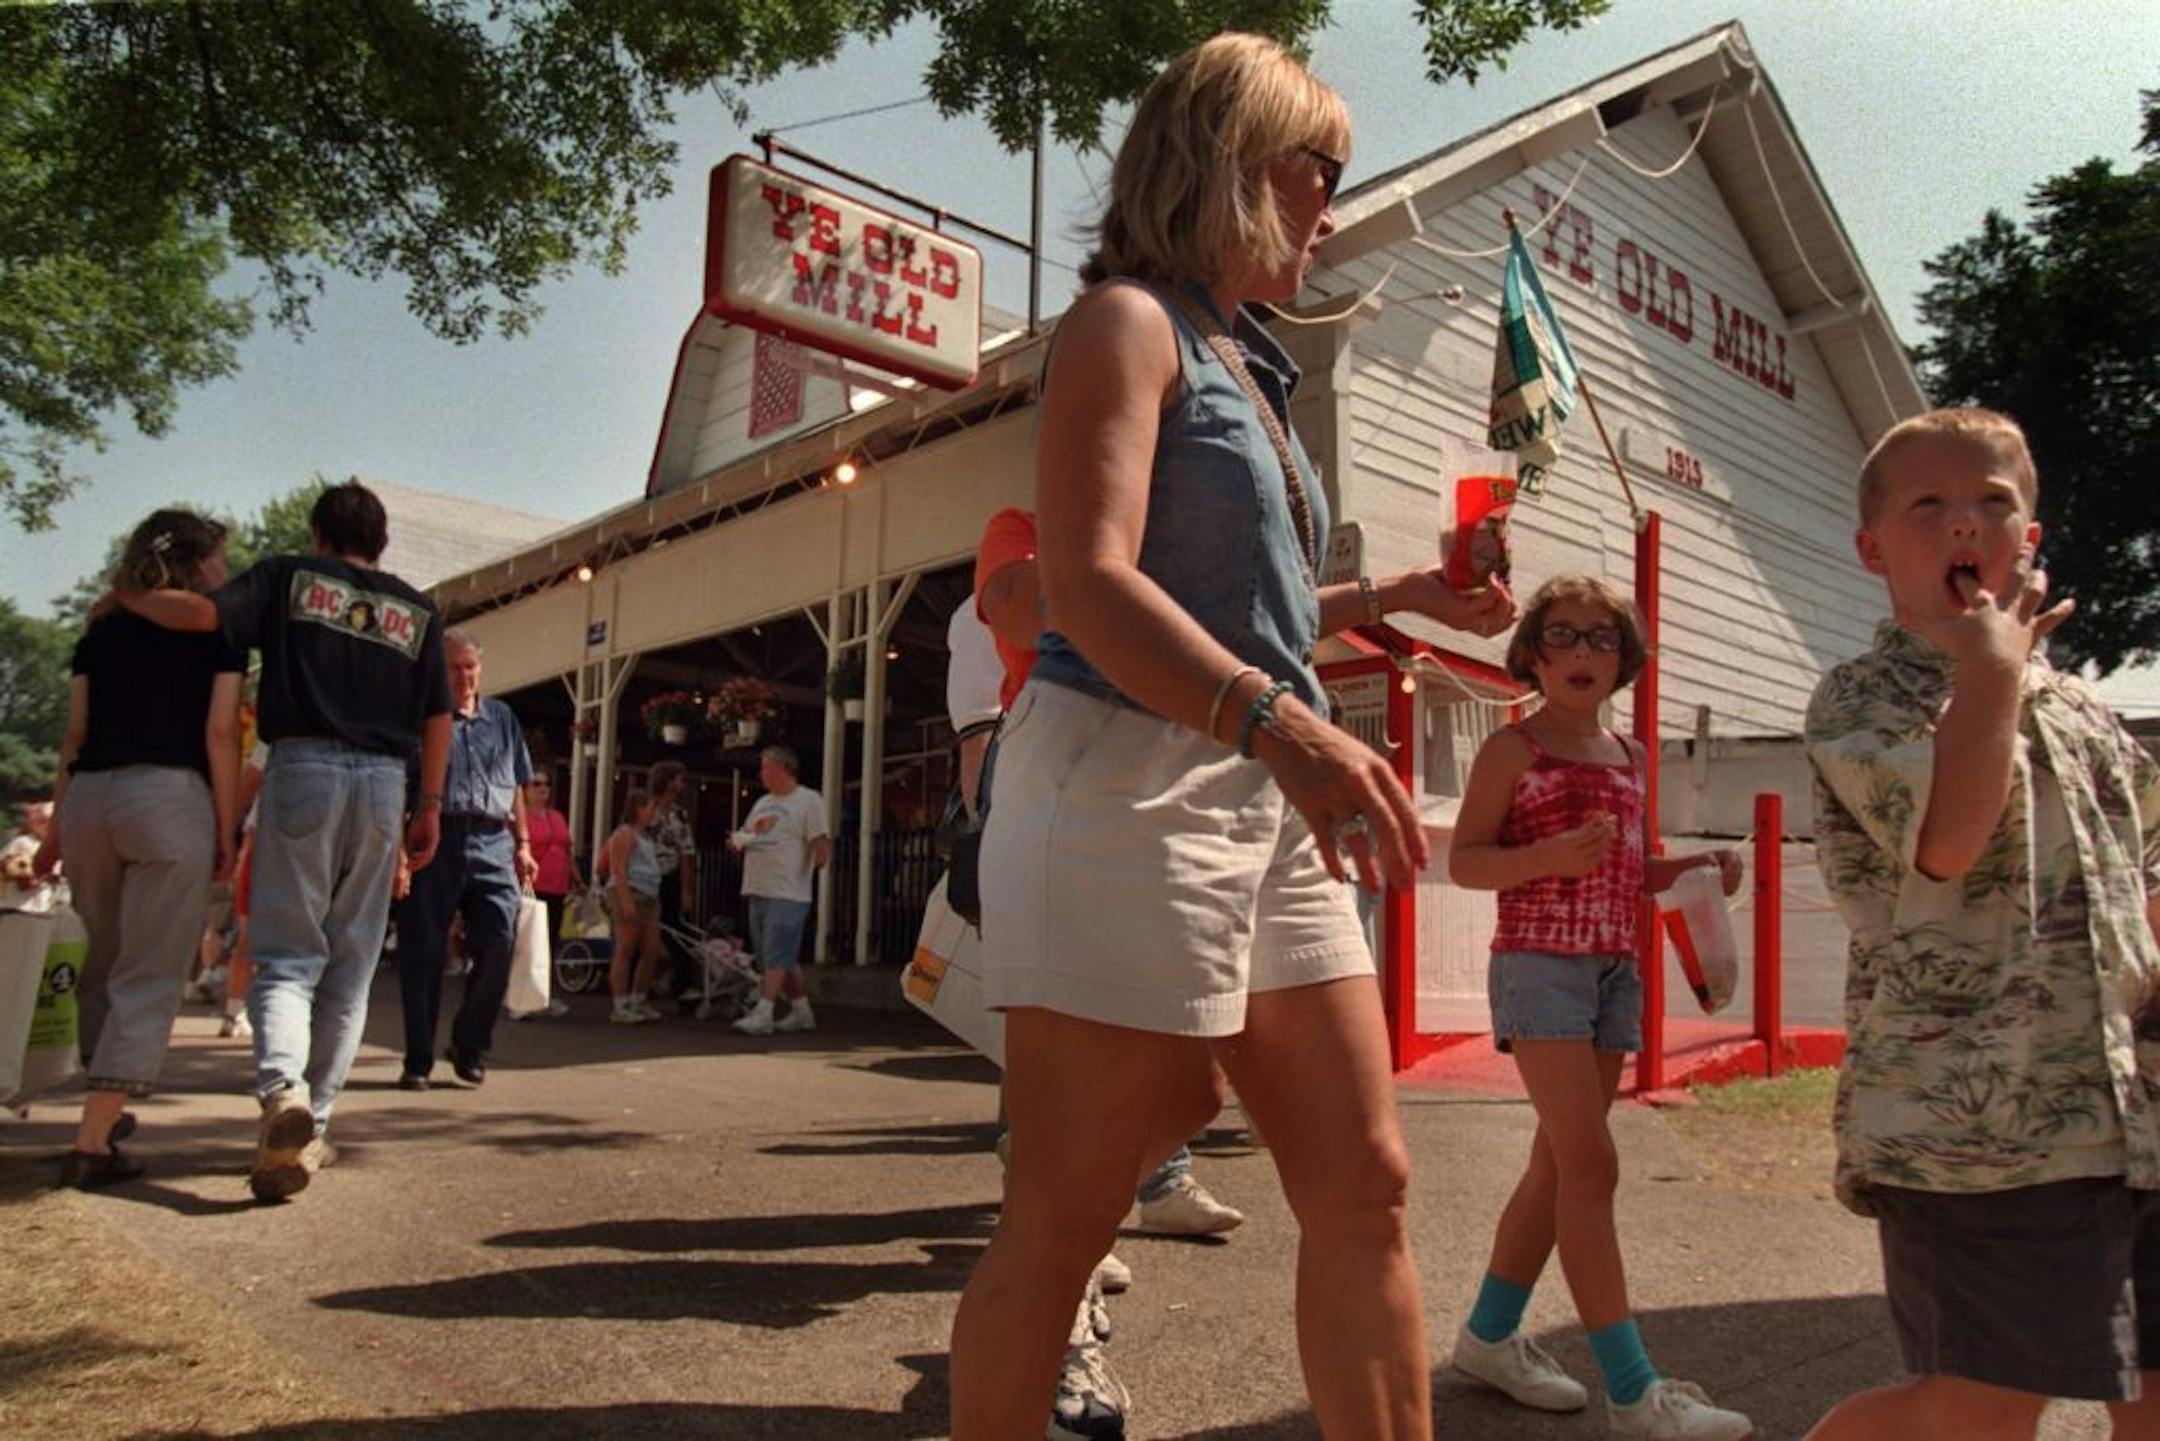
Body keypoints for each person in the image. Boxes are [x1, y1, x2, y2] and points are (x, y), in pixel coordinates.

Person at [947, 34, 1514, 1440]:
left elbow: (1235, 606)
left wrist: (1391, 597)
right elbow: (1086, 580)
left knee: (1365, 1181)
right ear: (1241, 163)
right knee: (1065, 1218)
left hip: (1252, 778)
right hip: (1131, 778)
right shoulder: (1126, 322)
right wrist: (1281, 726)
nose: (1333, 208)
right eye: (1324, 172)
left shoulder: (1248, 362)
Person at [1804, 408, 2159, 1440]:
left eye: (1993, 503)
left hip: (2128, 1111)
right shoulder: (1865, 700)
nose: (1966, 523)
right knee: (1985, 1399)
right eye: (1930, 504)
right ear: (1873, 549)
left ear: (2031, 541)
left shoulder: (2088, 712)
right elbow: (1950, 841)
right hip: (1976, 1129)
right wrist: (1990, 668)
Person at [1443, 575, 1749, 1440]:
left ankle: (1490, 1337)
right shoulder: (1514, 750)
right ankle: (1632, 1392)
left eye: (1602, 638)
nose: (1583, 653)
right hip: (1541, 968)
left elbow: (1627, 868)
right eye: (1564, 635)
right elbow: (1467, 861)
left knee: (1557, 1165)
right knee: (1592, 1166)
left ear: (1627, 658)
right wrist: (1546, 856)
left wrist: (1696, 869)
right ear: (1533, 650)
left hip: (1616, 971)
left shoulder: (1632, 755)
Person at [117, 479, 450, 1203]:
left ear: (320, 534)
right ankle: (315, 1123)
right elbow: (438, 715)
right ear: (380, 540)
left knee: (288, 957)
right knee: (352, 964)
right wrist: (429, 805)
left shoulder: (288, 576)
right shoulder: (418, 610)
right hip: (386, 785)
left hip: (303, 768)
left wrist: (129, 599)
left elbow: (206, 616)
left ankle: (281, 1095)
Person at [35, 510, 242, 1188]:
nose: (226, 570)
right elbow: (219, 735)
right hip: (168, 797)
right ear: (195, 562)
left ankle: (105, 1103)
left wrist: (55, 829)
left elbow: (73, 735)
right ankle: (93, 1139)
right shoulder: (219, 628)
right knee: (151, 970)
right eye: (219, 558)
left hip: (92, 796)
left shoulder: (102, 625)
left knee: (100, 959)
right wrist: (223, 824)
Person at [392, 632, 537, 1089]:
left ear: (481, 669)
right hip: (436, 838)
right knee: (423, 950)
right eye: (453, 667)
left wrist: (524, 842)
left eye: (470, 666)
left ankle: (470, 1045)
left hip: (493, 838)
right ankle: (417, 1059)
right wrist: (398, 847)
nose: (463, 676)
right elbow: (399, 783)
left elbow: (516, 782)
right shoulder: (422, 717)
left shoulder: (502, 717)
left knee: (499, 942)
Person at [729, 745, 831, 1036]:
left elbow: (820, 838)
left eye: (765, 767)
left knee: (775, 954)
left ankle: (764, 1012)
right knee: (777, 955)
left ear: (782, 768)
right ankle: (802, 1011)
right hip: (758, 887)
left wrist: (820, 857)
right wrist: (739, 841)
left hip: (788, 890)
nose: (761, 773)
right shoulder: (762, 803)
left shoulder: (808, 800)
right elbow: (748, 834)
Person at [605, 789, 664, 1024]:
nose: (654, 813)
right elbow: (618, 869)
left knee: (651, 950)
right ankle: (620, 1004)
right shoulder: (625, 834)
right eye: (651, 807)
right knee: (626, 947)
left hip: (649, 896)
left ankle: (639, 998)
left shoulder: (645, 838)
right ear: (639, 809)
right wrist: (626, 900)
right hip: (631, 892)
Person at [645, 759, 698, 998]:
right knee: (647, 929)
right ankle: (646, 980)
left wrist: (687, 891)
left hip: (668, 878)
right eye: (679, 779)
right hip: (644, 878)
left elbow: (687, 853)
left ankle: (681, 982)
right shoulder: (645, 809)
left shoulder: (680, 815)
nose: (682, 784)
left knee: (674, 929)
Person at [525, 775, 579, 958]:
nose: (543, 788)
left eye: (548, 783)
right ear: (525, 789)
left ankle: (544, 982)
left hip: (558, 888)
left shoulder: (557, 816)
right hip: (532, 887)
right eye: (537, 784)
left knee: (551, 940)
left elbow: (567, 851)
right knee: (530, 941)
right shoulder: (521, 817)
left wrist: (577, 878)